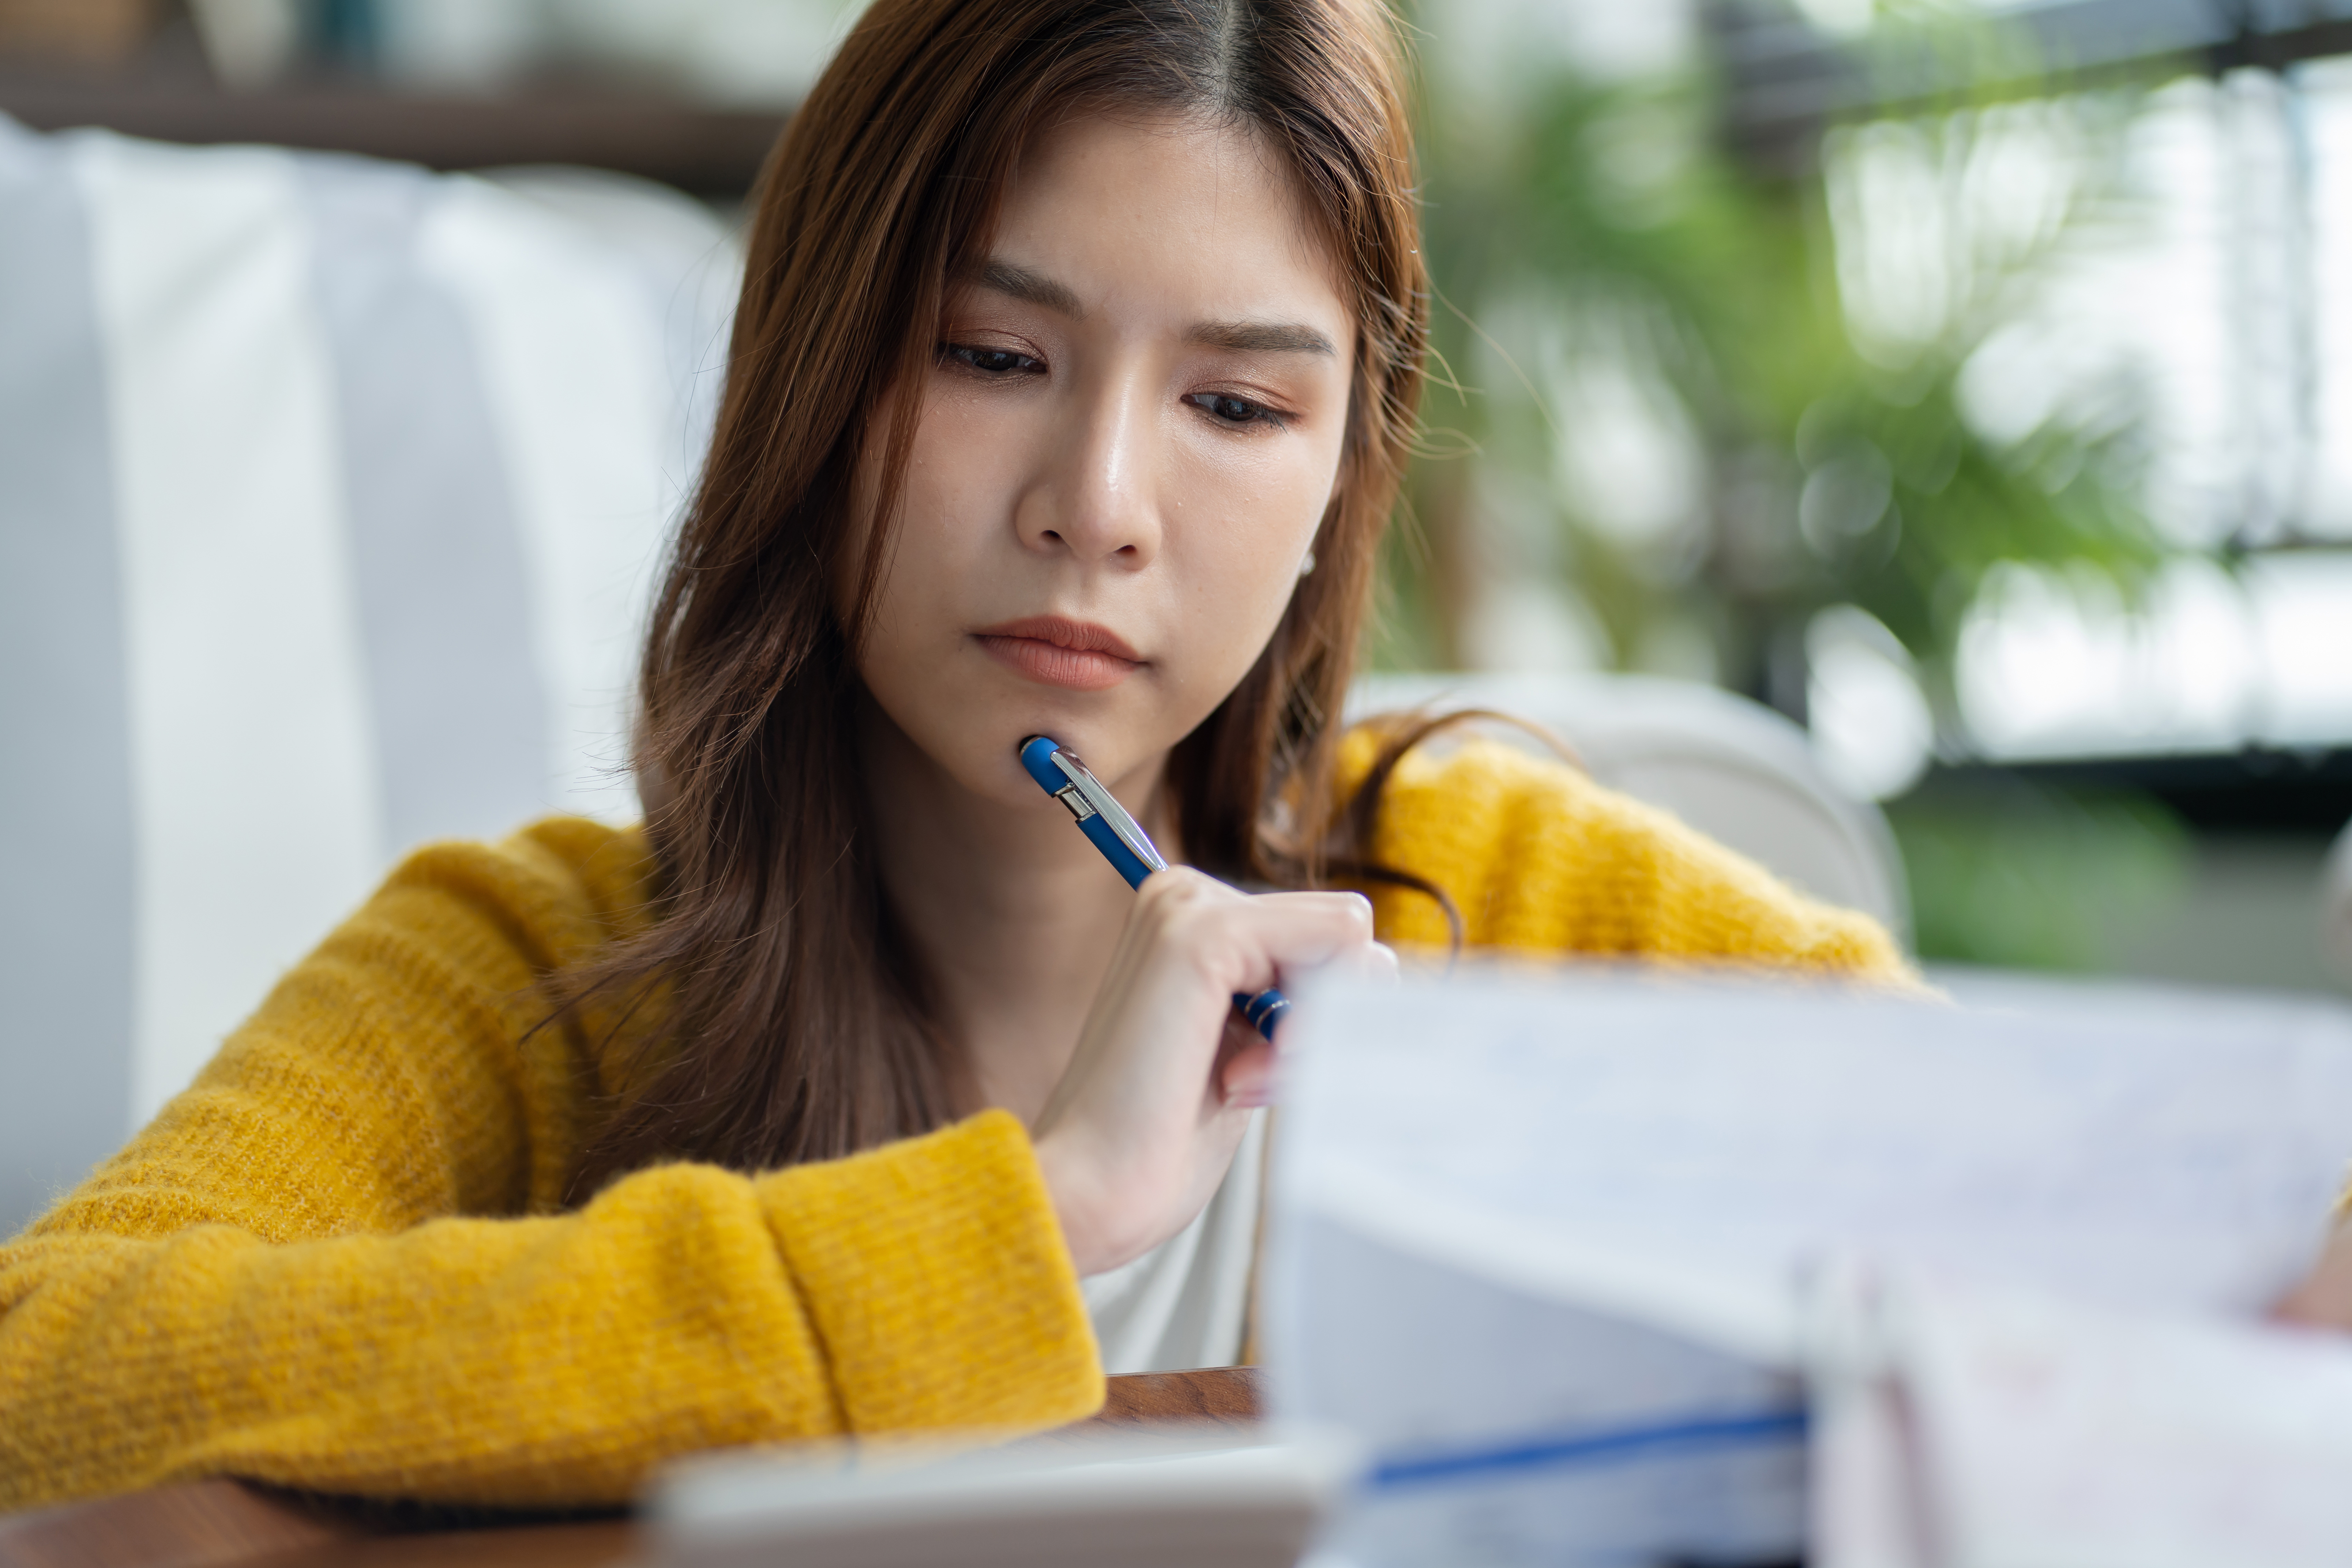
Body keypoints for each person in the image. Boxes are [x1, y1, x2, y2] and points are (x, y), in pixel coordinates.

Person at [0, 0, 1915, 1514]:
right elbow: (50, 1369)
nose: (1096, 507)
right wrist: (1034, 1218)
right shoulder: (537, 971)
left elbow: (2032, 1222)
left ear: (1344, 472)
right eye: (990, 357)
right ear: (813, 373)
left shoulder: (1487, 889)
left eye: (1237, 404)